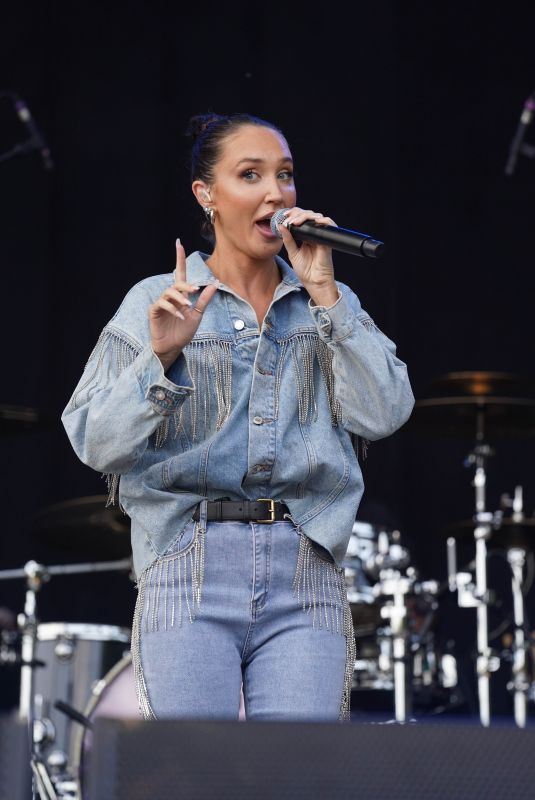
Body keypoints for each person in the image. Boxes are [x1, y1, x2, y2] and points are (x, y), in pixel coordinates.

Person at [62, 112, 414, 722]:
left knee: (295, 778)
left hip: (304, 567)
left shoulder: (324, 302)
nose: (276, 193)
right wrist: (163, 354)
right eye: (250, 175)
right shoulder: (154, 300)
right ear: (208, 196)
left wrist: (327, 294)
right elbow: (94, 440)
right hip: (189, 564)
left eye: (285, 175)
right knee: (200, 779)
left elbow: (386, 412)